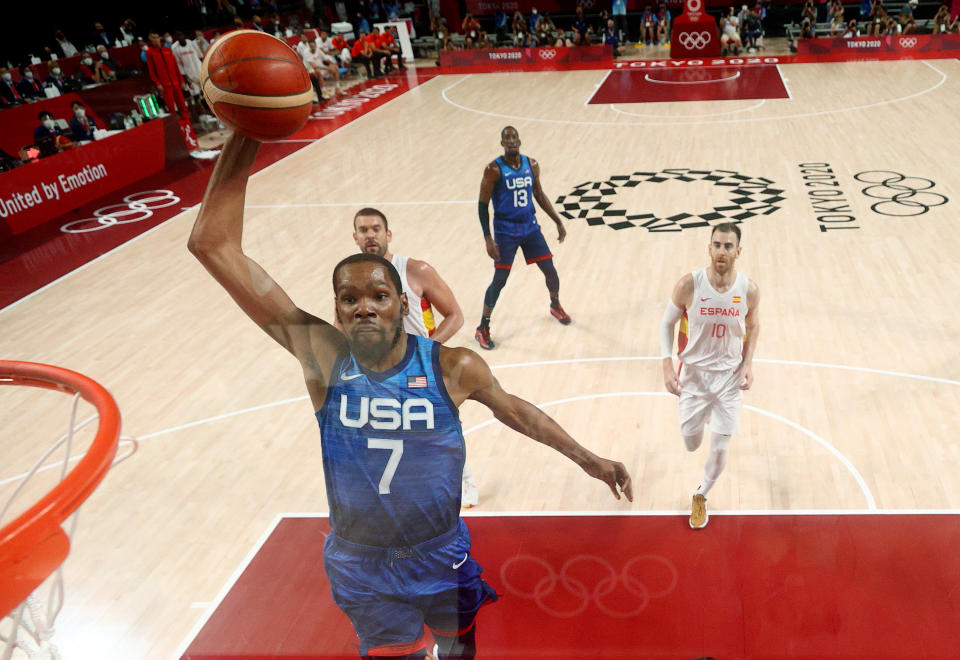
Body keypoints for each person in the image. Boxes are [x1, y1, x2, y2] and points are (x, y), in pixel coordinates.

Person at [189, 133, 634, 660]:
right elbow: (212, 245)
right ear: (334, 312)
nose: (364, 308)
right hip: (360, 562)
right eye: (348, 299)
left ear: (402, 303)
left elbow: (517, 412)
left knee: (457, 650)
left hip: (439, 552)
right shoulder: (323, 359)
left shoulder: (453, 365)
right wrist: (245, 133)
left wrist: (589, 459)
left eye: (379, 296)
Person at [345, 208, 479, 507]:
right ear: (355, 237)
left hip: (418, 369)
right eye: (364, 230)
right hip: (377, 371)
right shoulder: (351, 280)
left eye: (376, 229)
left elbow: (455, 315)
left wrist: (427, 350)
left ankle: (465, 481)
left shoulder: (417, 270)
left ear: (388, 234)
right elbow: (341, 326)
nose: (370, 235)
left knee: (436, 428)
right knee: (383, 432)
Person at [659, 223, 760, 529]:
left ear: (738, 252)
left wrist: (748, 364)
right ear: (709, 248)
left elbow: (754, 326)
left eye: (728, 246)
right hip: (695, 376)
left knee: (719, 446)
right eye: (716, 244)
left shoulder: (748, 290)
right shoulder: (689, 284)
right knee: (691, 442)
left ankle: (701, 494)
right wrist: (666, 364)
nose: (721, 251)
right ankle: (703, 416)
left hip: (729, 379)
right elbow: (666, 323)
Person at [475, 126, 571, 351]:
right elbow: (482, 205)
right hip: (506, 230)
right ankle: (483, 327)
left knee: (551, 271)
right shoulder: (493, 170)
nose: (511, 141)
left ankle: (555, 305)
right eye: (506, 138)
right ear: (501, 143)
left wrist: (557, 220)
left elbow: (538, 194)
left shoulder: (532, 165)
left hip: (529, 227)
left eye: (514, 137)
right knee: (500, 279)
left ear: (520, 140)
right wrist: (488, 238)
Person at [146, 32, 190, 120]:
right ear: (151, 40)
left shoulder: (167, 50)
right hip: (165, 85)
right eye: (153, 38)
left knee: (182, 104)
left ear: (160, 38)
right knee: (171, 107)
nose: (156, 40)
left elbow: (175, 66)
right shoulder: (150, 52)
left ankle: (187, 122)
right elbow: (152, 71)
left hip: (176, 82)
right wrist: (157, 83)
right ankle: (176, 125)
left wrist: (181, 80)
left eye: (157, 37)